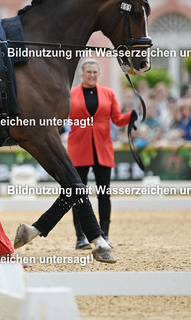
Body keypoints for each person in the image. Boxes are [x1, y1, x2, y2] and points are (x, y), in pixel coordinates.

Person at [67, 59, 136, 249]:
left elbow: (118, 119)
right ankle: (81, 237)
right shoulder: (70, 94)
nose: (91, 75)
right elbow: (61, 117)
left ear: (99, 74)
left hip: (102, 149)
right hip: (78, 149)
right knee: (78, 195)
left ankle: (104, 234)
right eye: (88, 72)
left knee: (104, 194)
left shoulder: (109, 93)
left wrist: (131, 116)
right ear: (81, 73)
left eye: (94, 72)